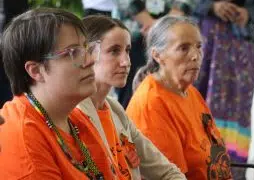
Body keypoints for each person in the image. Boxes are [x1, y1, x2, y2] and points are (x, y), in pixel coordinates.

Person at [0, 7, 121, 179]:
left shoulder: (73, 117)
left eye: (87, 48)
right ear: (36, 71)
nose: (90, 59)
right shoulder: (25, 140)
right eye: (72, 52)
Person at [77, 14, 187, 180]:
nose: (126, 61)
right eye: (114, 51)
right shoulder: (74, 113)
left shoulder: (115, 110)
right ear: (86, 55)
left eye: (127, 50)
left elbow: (167, 172)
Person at [126, 15, 233, 180]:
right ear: (158, 55)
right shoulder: (152, 104)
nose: (196, 56)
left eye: (198, 47)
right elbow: (170, 176)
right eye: (184, 48)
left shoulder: (190, 92)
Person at [193, 0, 254, 178]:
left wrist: (248, 13)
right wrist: (212, 6)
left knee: (239, 108)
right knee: (200, 101)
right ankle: (199, 164)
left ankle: (233, 169)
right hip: (207, 44)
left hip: (241, 47)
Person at [108, 0, 200, 108]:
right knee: (129, 96)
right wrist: (152, 24)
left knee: (174, 94)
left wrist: (166, 23)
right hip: (133, 32)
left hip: (174, 34)